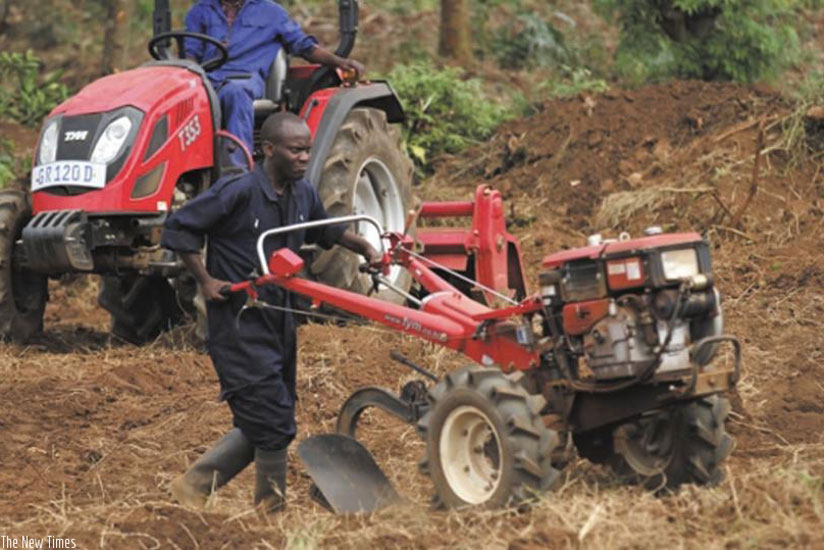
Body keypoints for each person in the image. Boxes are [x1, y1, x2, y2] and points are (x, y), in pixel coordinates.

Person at [163, 111, 380, 512]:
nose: (304, 158)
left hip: (280, 318)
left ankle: (192, 488)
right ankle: (270, 510)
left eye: (307, 150)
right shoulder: (238, 191)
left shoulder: (303, 193)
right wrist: (205, 280)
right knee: (274, 419)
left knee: (267, 417)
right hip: (238, 321)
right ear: (269, 150)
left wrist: (363, 245)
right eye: (296, 150)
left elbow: (324, 229)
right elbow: (179, 227)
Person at [184, 0, 366, 156]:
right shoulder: (200, 10)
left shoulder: (270, 12)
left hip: (245, 78)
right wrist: (191, 78)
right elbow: (191, 52)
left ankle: (237, 169)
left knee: (235, 92)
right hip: (208, 78)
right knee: (183, 96)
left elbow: (305, 47)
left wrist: (340, 62)